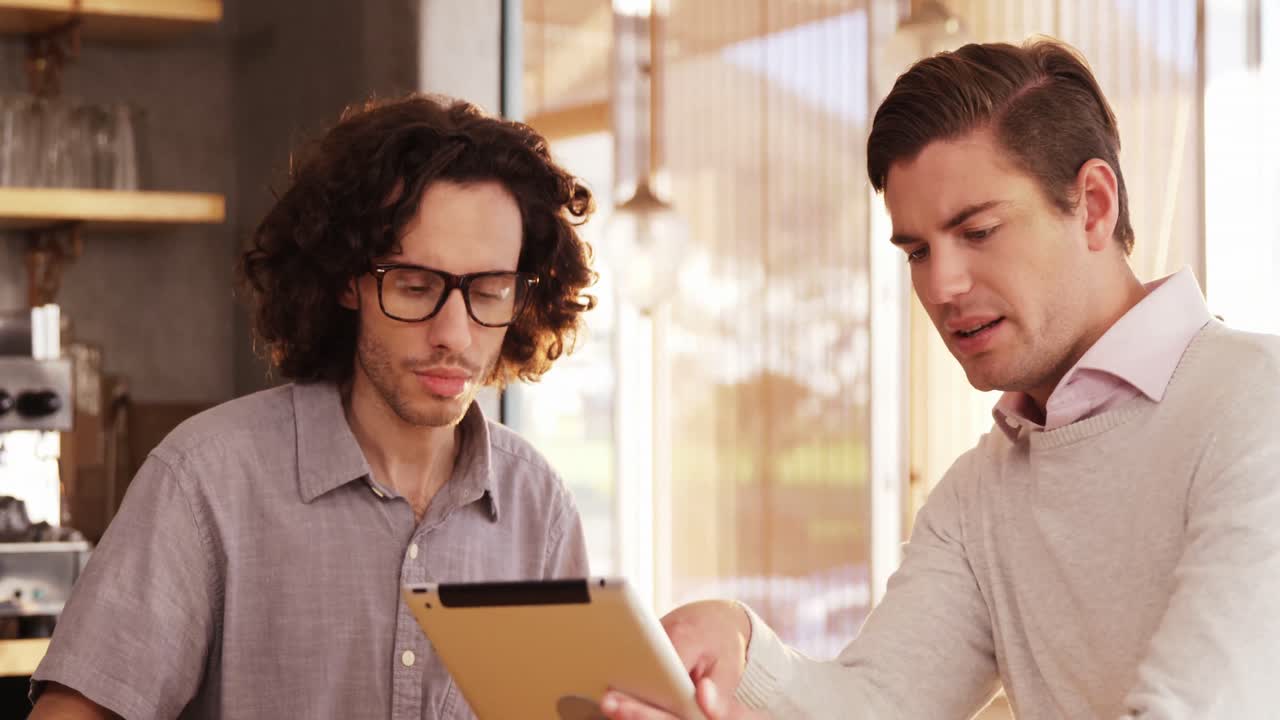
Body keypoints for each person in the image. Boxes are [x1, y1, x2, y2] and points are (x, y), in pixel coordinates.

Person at [602, 38, 1280, 720]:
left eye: (978, 231)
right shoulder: (979, 494)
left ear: (1094, 206)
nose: (942, 286)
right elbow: (879, 706)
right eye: (918, 251)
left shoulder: (1258, 403)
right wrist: (742, 649)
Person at [29, 93, 599, 719]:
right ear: (347, 280)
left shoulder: (537, 508)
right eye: (415, 287)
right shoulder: (206, 481)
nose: (454, 336)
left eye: (490, 292)